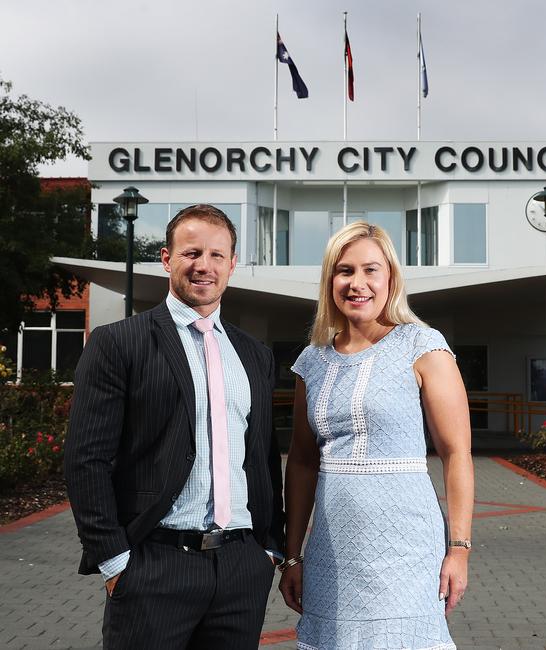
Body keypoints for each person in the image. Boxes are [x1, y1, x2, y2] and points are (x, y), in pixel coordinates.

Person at [65, 204, 284, 650]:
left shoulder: (254, 355)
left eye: (217, 255)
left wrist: (268, 550)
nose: (204, 265)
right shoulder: (118, 343)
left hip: (241, 567)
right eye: (191, 252)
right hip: (154, 565)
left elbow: (261, 458)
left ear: (232, 263)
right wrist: (115, 561)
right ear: (167, 259)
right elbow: (86, 460)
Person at [279, 222, 474, 650]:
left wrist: (459, 549)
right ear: (330, 279)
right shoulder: (311, 360)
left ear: (390, 278)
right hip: (331, 550)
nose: (357, 283)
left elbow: (456, 451)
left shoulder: (423, 345)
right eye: (344, 270)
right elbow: (302, 461)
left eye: (371, 269)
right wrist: (292, 555)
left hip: (406, 549)